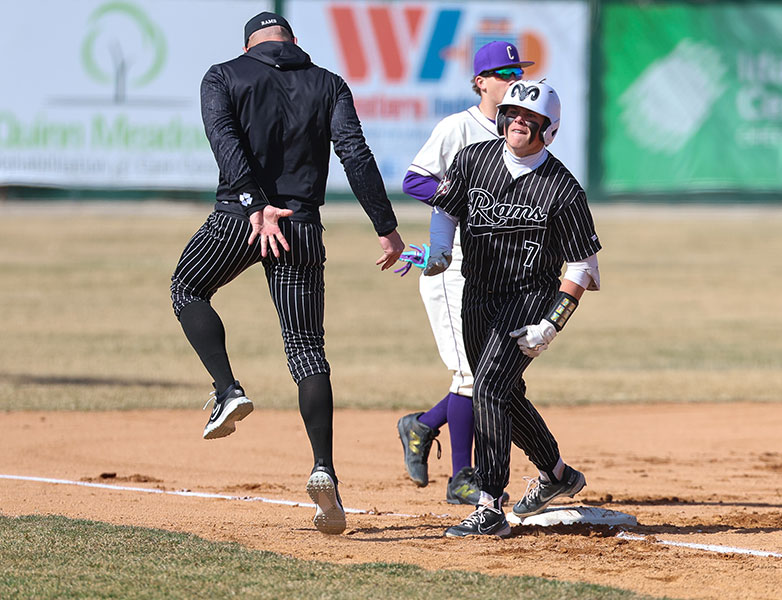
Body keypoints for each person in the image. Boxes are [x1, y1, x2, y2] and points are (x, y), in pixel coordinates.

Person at [169, 11, 404, 536]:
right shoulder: (329, 83)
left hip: (242, 218)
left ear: (249, 44)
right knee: (305, 348)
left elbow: (224, 142)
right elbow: (354, 154)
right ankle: (324, 469)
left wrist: (254, 204)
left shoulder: (223, 75)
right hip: (300, 226)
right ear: (293, 42)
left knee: (187, 287)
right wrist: (386, 228)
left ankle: (228, 388)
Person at [423, 80, 602, 537]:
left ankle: (489, 505)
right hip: (477, 295)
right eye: (513, 114)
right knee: (504, 395)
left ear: (549, 128)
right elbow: (445, 209)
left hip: (528, 300)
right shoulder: (473, 159)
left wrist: (551, 325)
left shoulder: (562, 188)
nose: (519, 122)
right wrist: (440, 249)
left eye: (531, 118)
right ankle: (558, 475)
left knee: (485, 389)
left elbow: (582, 266)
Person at [394, 41, 533, 506]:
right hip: (452, 267)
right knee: (474, 377)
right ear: (480, 81)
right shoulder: (458, 127)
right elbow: (415, 178)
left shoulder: (519, 132)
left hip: (496, 274)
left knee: (489, 373)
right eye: (503, 72)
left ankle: (424, 425)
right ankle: (461, 479)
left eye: (518, 70)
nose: (513, 78)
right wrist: (461, 195)